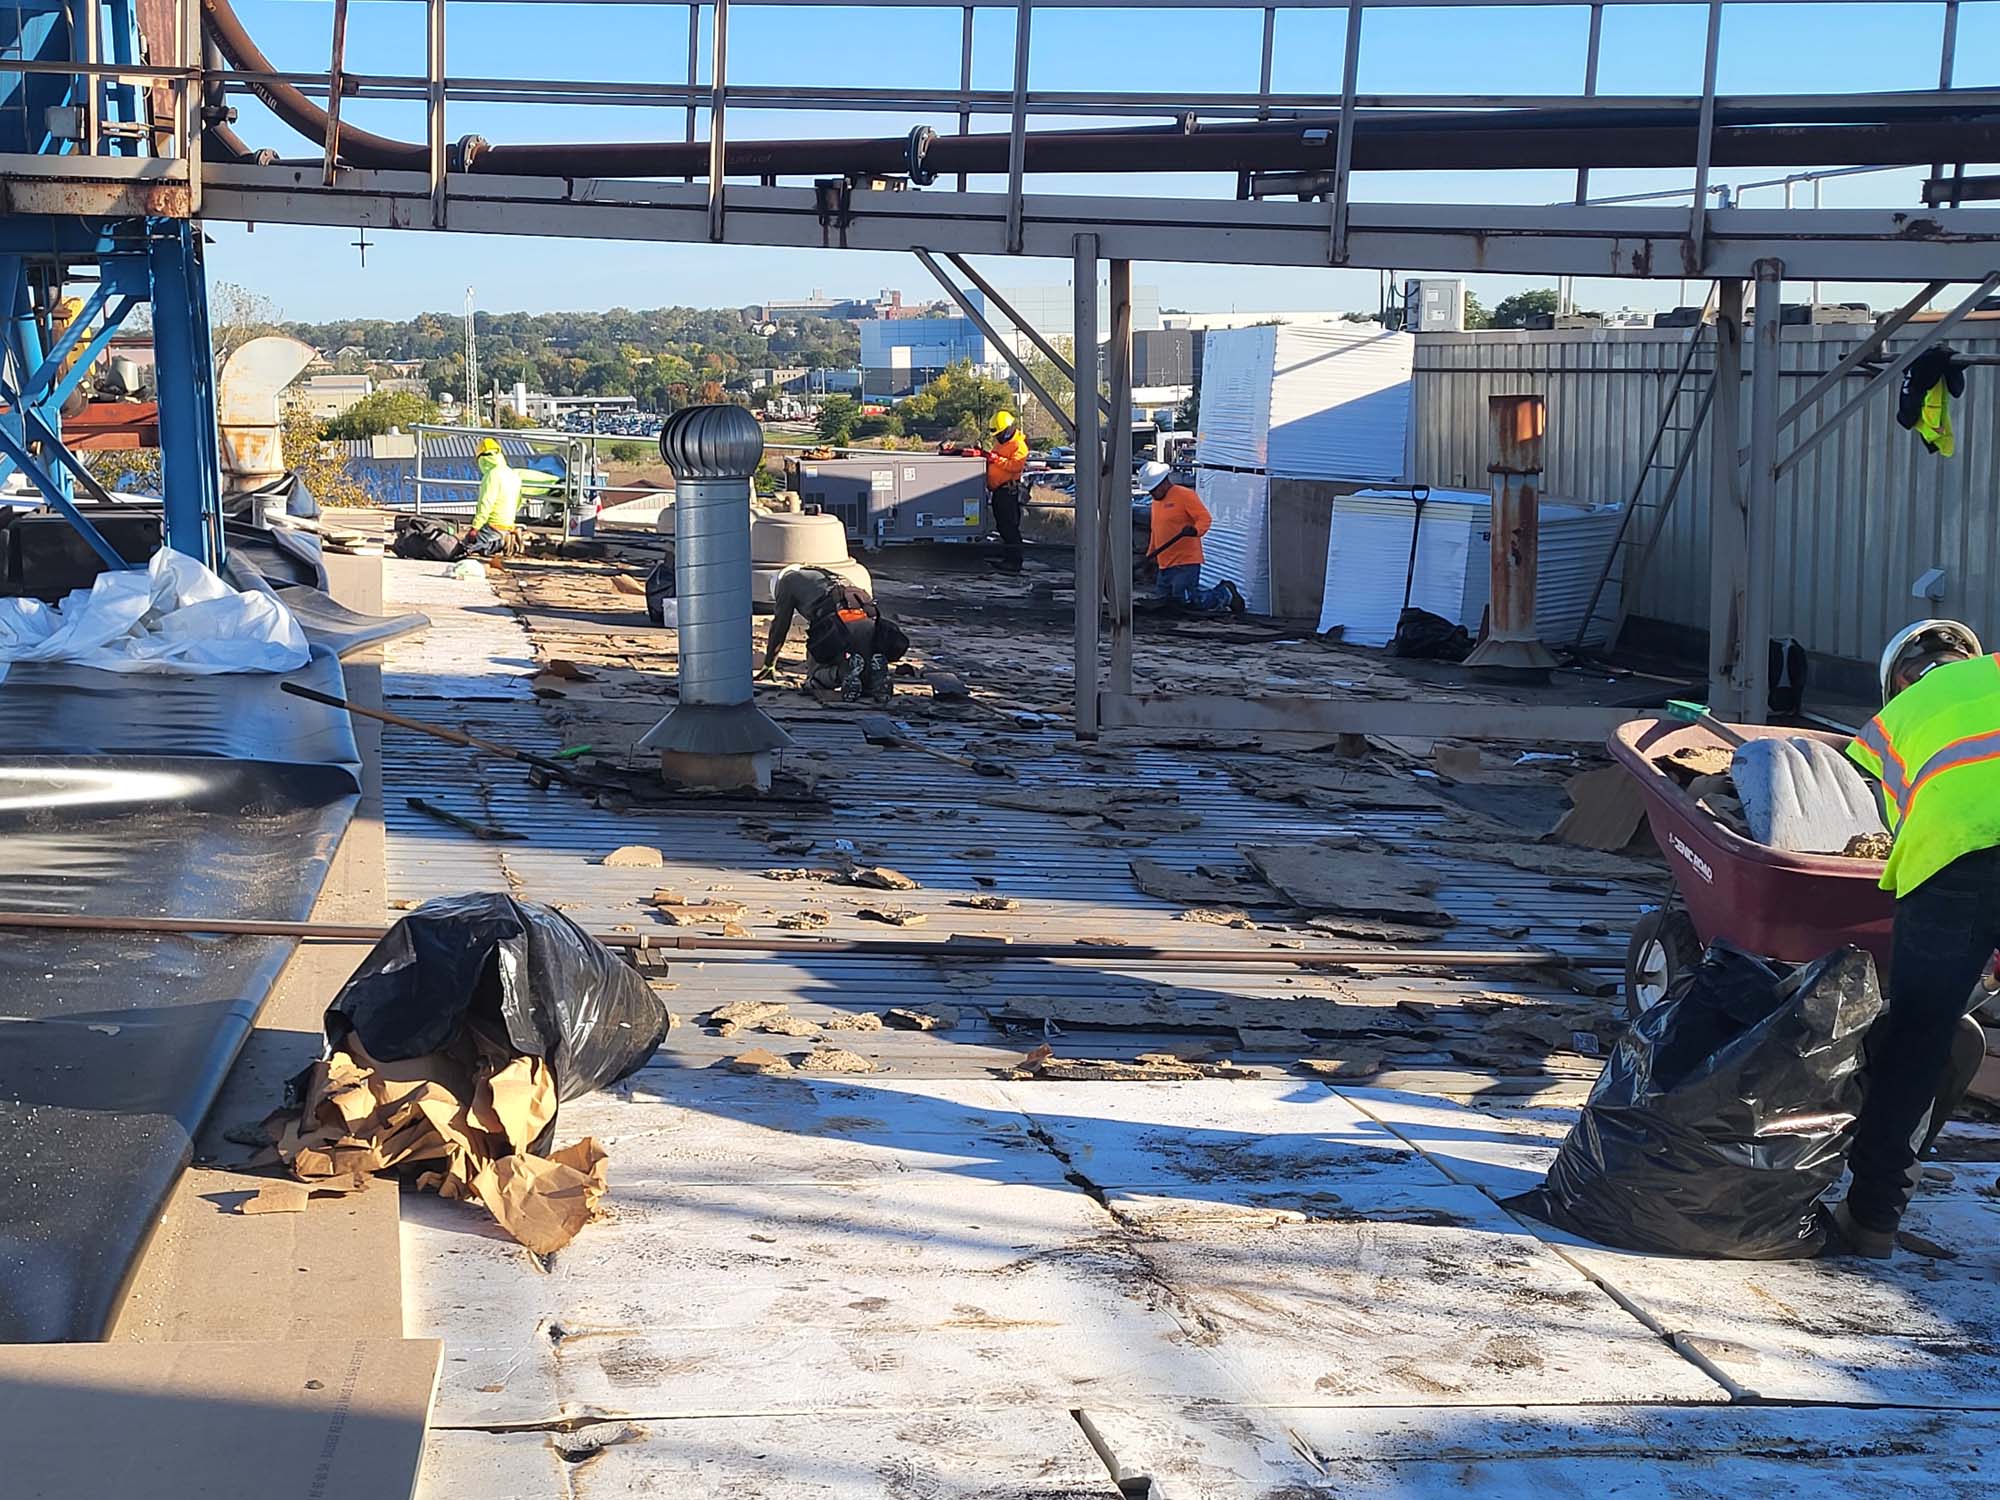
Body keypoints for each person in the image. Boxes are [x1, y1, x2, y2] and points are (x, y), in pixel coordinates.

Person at [1834, 618, 2000, 1257]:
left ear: (1899, 679)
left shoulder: (1891, 723)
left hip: (1954, 867)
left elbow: (1903, 822)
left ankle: (1872, 1220)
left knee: (1919, 1037)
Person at [756, 564, 910, 702]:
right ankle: (874, 677)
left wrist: (769, 663)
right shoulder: (831, 576)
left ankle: (842, 672)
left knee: (815, 678)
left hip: (837, 627)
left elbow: (779, 627)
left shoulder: (787, 582)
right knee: (862, 667)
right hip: (871, 626)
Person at [1139, 461, 1242, 613]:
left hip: (1185, 561)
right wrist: (1151, 555)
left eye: (1153, 490)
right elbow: (1156, 530)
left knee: (1186, 600)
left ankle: (1225, 594)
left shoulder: (1184, 495)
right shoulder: (1156, 502)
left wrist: (1195, 530)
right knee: (1165, 603)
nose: (1152, 494)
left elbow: (1204, 518)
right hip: (1165, 562)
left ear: (1164, 483)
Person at [984, 410, 1030, 574]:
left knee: (1009, 526)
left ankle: (1014, 561)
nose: (997, 437)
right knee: (1002, 525)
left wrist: (994, 459)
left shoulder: (1019, 445)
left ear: (1007, 430)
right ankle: (1008, 556)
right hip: (999, 491)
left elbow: (1015, 465)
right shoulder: (1002, 444)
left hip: (1008, 491)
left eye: (999, 433)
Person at [461, 437, 522, 557]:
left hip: (493, 528)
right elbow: (518, 503)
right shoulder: (513, 474)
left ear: (482, 459)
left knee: (463, 548)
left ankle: (502, 541)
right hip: (508, 525)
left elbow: (485, 504)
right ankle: (507, 538)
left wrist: (475, 528)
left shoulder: (492, 475)